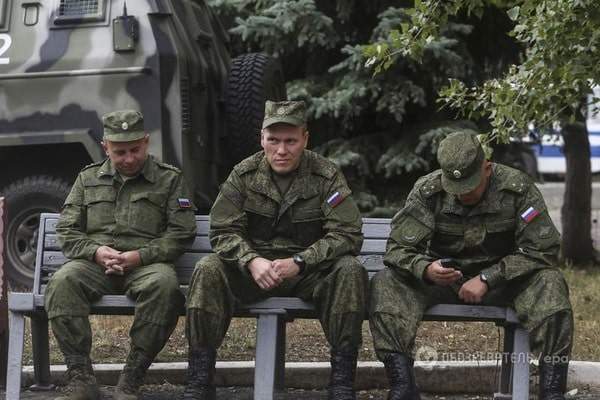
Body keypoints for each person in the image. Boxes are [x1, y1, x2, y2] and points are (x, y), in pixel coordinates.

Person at [369, 131, 573, 400]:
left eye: (470, 184)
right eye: (456, 187)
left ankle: (552, 390)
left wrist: (489, 277)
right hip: (443, 281)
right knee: (387, 282)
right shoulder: (428, 191)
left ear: (486, 168)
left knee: (551, 283)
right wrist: (426, 269)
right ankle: (402, 386)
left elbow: (543, 249)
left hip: (505, 282)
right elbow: (397, 250)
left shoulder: (517, 188)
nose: (463, 193)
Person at [184, 100, 367, 400]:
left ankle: (342, 383)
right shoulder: (243, 175)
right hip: (254, 274)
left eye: (291, 141)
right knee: (207, 268)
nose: (281, 150)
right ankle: (200, 380)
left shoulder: (325, 175)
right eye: (273, 140)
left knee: (350, 270)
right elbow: (222, 230)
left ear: (305, 139)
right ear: (262, 138)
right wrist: (251, 260)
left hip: (308, 274)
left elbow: (347, 234)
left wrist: (301, 261)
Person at [45, 110, 197, 400]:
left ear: (146, 142)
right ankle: (81, 379)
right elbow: (66, 230)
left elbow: (181, 233)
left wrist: (138, 256)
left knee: (165, 288)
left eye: (134, 149)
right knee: (62, 281)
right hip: (95, 265)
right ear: (106, 147)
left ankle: (131, 378)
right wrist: (96, 251)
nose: (128, 158)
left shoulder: (169, 180)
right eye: (120, 151)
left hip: (146, 265)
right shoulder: (88, 179)